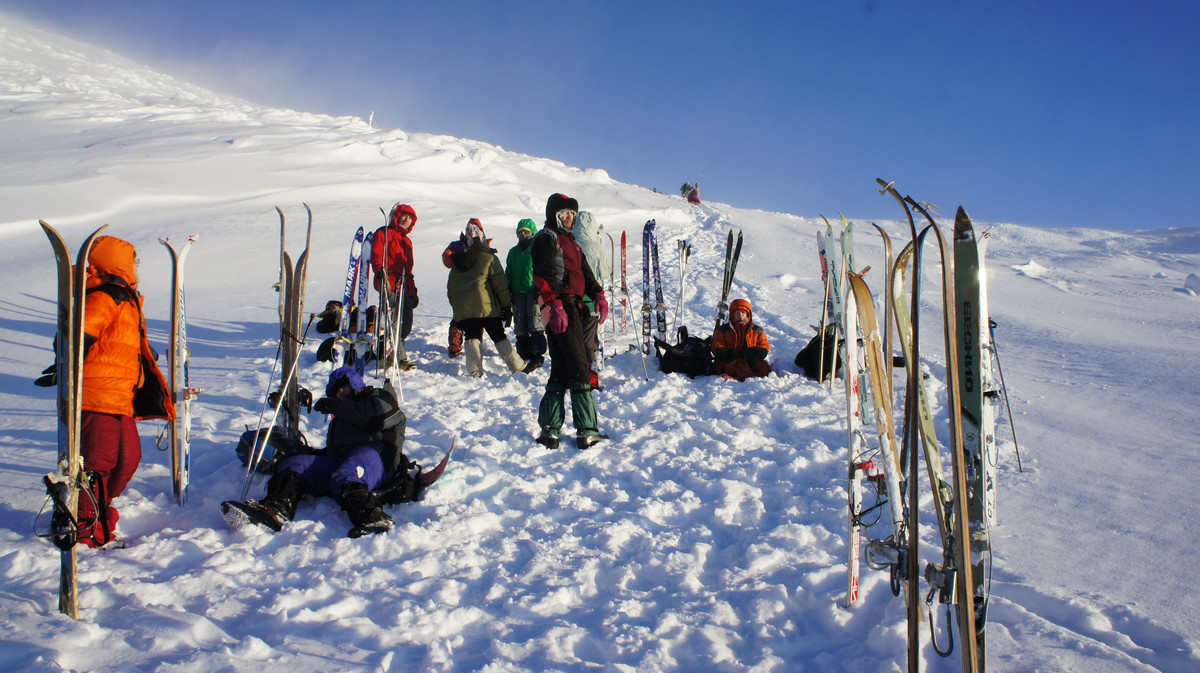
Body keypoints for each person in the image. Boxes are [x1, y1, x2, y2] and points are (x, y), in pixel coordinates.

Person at [221, 367, 418, 537]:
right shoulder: (341, 416)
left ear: (356, 385)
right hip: (346, 461)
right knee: (296, 464)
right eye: (337, 391)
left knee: (349, 470)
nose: (341, 393)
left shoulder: (379, 397)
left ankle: (371, 516)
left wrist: (338, 406)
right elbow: (335, 451)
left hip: (379, 459)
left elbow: (377, 419)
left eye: (344, 387)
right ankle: (274, 510)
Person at [73, 236, 174, 548]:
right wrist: (64, 364)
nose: (137, 266)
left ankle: (97, 513)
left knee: (128, 460)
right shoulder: (105, 296)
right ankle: (85, 530)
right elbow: (78, 333)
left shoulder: (126, 297)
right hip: (97, 394)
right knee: (98, 466)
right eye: (133, 259)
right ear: (116, 261)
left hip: (119, 397)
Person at [531, 193, 609, 450]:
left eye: (573, 215)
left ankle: (549, 431)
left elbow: (585, 273)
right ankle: (587, 430)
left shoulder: (572, 243)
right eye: (566, 214)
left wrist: (598, 293)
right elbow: (542, 274)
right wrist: (553, 303)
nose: (570, 218)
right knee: (578, 365)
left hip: (572, 307)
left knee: (562, 368)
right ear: (554, 214)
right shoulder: (547, 238)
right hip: (560, 306)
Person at [446, 219, 536, 376]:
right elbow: (500, 286)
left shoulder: (457, 261)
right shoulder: (489, 258)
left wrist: (457, 310)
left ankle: (475, 372)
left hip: (465, 310)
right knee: (498, 336)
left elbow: (451, 288)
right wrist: (506, 307)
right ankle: (519, 367)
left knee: (472, 337)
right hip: (487, 308)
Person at [370, 203, 419, 370]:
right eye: (404, 216)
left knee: (405, 325)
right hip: (389, 283)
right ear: (396, 216)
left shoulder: (407, 241)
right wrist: (380, 275)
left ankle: (388, 350)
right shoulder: (383, 233)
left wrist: (413, 291)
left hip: (405, 286)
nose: (406, 220)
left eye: (410, 218)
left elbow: (409, 269)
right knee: (395, 322)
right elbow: (376, 255)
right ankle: (399, 358)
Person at [440, 219, 492, 359]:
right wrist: (455, 256)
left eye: (475, 230)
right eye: (469, 230)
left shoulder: (483, 245)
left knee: (476, 318)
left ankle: (475, 345)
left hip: (476, 287)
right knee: (459, 318)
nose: (472, 233)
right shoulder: (458, 245)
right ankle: (455, 346)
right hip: (461, 286)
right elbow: (446, 259)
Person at [573, 211, 612, 373]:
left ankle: (573, 370)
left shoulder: (569, 244)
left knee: (573, 337)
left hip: (571, 300)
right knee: (588, 339)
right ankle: (587, 371)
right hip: (591, 301)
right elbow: (604, 272)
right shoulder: (596, 247)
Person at [505, 218, 546, 367]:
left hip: (533, 291)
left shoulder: (537, 250)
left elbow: (542, 270)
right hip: (517, 292)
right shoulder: (513, 252)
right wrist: (507, 289)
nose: (523, 234)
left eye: (526, 232)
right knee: (520, 323)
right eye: (520, 232)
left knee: (534, 321)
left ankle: (537, 353)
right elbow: (508, 272)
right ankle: (524, 353)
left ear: (532, 232)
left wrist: (541, 290)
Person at [711, 298, 772, 381]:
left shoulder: (756, 330)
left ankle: (769, 381)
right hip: (729, 362)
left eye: (743, 312)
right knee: (740, 365)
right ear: (732, 314)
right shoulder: (723, 330)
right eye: (737, 312)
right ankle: (751, 382)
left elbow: (764, 345)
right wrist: (733, 353)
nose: (740, 314)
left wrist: (756, 352)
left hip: (750, 359)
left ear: (748, 314)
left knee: (763, 366)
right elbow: (716, 347)